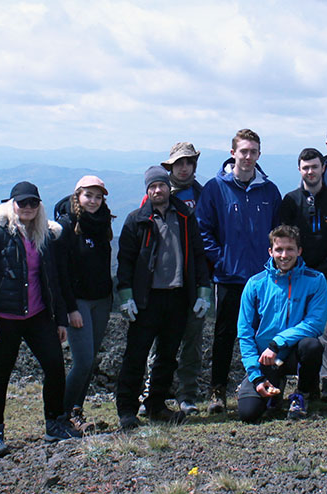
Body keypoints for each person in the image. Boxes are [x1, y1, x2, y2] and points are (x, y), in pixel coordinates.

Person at [0, 181, 76, 456]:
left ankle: (54, 425)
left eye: (33, 203)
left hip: (38, 316)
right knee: (0, 376)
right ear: (12, 205)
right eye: (23, 203)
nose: (28, 208)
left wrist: (60, 320)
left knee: (55, 368)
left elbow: (53, 280)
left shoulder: (45, 236)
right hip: (4, 318)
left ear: (39, 206)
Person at [114, 166, 212, 430]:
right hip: (147, 300)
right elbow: (125, 261)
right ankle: (127, 409)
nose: (157, 190)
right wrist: (126, 296)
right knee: (136, 355)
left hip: (178, 297)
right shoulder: (136, 220)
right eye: (152, 187)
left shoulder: (185, 215)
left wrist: (203, 290)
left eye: (161, 185)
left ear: (168, 187)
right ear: (147, 191)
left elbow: (198, 254)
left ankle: (156, 405)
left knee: (168, 356)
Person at [195, 129, 282, 413]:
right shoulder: (215, 187)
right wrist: (220, 260)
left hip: (262, 279)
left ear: (259, 154)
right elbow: (203, 228)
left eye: (253, 152)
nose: (247, 157)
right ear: (233, 153)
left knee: (262, 334)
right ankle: (217, 391)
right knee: (225, 335)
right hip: (229, 277)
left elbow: (279, 233)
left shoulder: (269, 191)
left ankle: (261, 388)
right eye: (243, 151)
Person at [236, 225, 327, 422]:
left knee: (312, 346)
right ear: (270, 251)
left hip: (294, 353)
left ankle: (301, 395)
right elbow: (244, 333)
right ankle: (272, 390)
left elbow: (315, 324)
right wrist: (256, 376)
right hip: (265, 359)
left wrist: (277, 342)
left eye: (290, 249)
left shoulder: (316, 280)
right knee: (249, 414)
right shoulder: (255, 284)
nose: (284, 255)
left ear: (299, 251)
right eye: (279, 249)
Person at [279, 148, 327, 402]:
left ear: (323, 168)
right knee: (295, 326)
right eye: (305, 167)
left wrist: (326, 267)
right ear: (299, 170)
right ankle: (303, 384)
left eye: (314, 167)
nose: (310, 171)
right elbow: (283, 238)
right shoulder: (290, 201)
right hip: (296, 275)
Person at [53, 175, 115, 433]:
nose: (93, 201)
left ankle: (75, 411)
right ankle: (60, 414)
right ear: (77, 195)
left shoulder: (102, 224)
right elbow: (61, 273)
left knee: (90, 362)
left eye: (98, 196)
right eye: (88, 195)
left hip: (101, 301)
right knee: (83, 360)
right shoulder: (66, 226)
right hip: (78, 303)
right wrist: (70, 309)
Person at [155, 142, 205, 414]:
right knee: (159, 341)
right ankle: (152, 394)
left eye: (188, 163)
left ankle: (187, 395)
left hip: (194, 280)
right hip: (161, 283)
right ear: (171, 167)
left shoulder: (203, 194)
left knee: (192, 341)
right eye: (179, 164)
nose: (184, 168)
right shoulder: (157, 194)